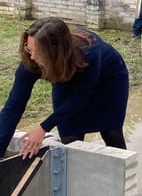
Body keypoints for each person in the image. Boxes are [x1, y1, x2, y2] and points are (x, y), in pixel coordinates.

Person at [0, 18, 129, 159]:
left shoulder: (89, 52)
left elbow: (81, 96)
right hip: (65, 78)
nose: (32, 57)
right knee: (69, 136)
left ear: (57, 50)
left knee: (111, 132)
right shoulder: (31, 61)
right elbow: (13, 107)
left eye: (39, 52)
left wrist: (43, 127)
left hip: (108, 82)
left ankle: (122, 170)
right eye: (29, 49)